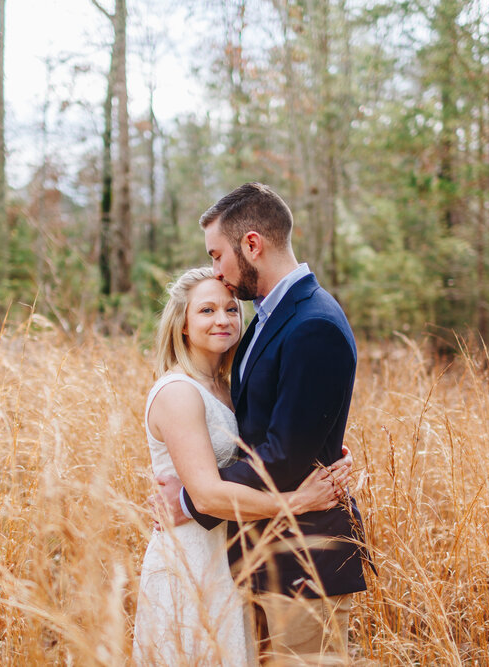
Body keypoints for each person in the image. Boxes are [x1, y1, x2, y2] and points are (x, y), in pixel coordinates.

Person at [155, 183, 368, 665]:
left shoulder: (313, 323)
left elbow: (285, 455)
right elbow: (281, 422)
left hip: (305, 558)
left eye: (217, 255)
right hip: (263, 550)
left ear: (252, 245)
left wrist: (195, 498)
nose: (217, 273)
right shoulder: (269, 317)